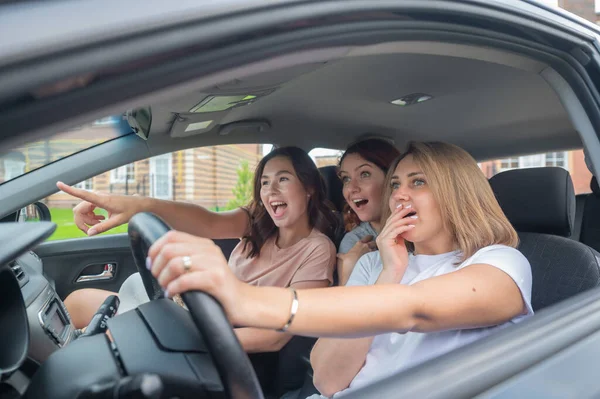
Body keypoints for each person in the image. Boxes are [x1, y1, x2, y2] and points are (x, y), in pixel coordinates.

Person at [146, 141, 533, 398]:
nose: (399, 194)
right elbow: (328, 379)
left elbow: (414, 308)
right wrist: (388, 271)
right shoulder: (373, 264)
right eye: (396, 183)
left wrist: (243, 300)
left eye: (418, 182)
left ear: (457, 192)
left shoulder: (500, 262)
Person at [57, 146, 339, 355]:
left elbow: (274, 338)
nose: (270, 191)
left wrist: (189, 340)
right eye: (265, 182)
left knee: (94, 348)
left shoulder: (318, 249)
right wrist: (137, 205)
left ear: (309, 187)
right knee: (76, 304)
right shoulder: (257, 221)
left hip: (208, 334)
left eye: (283, 179)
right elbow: (206, 221)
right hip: (186, 307)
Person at [336, 138, 400, 285]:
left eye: (364, 174)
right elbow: (345, 306)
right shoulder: (355, 242)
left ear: (392, 179)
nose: (351, 188)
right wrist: (348, 272)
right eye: (346, 178)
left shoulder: (420, 232)